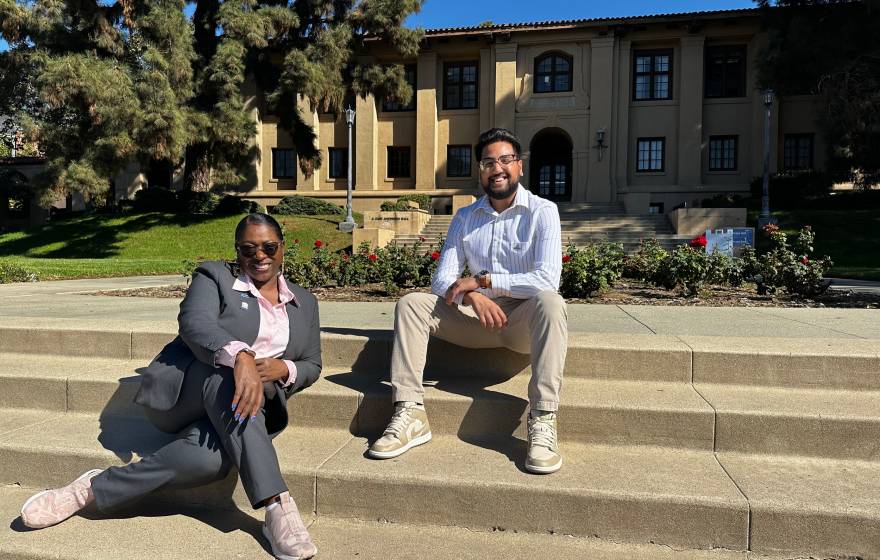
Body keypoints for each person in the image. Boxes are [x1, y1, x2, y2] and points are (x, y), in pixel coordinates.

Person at [20, 213, 322, 560]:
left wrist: (283, 367)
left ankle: (89, 490)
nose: (259, 256)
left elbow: (312, 364)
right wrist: (241, 357)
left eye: (269, 247)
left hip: (244, 409)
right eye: (248, 249)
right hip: (187, 392)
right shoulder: (216, 277)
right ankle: (276, 505)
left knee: (209, 462)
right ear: (237, 252)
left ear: (283, 247)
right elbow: (194, 323)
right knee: (224, 373)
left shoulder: (305, 302)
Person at [367, 128, 568, 474]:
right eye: (488, 162)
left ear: (519, 166)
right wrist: (473, 296)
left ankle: (543, 419)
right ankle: (410, 411)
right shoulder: (465, 217)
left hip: (521, 324)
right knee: (412, 304)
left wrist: (486, 281)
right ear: (480, 170)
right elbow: (442, 279)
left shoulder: (542, 211)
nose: (497, 168)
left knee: (552, 302)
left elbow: (546, 279)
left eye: (505, 160)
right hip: (475, 322)